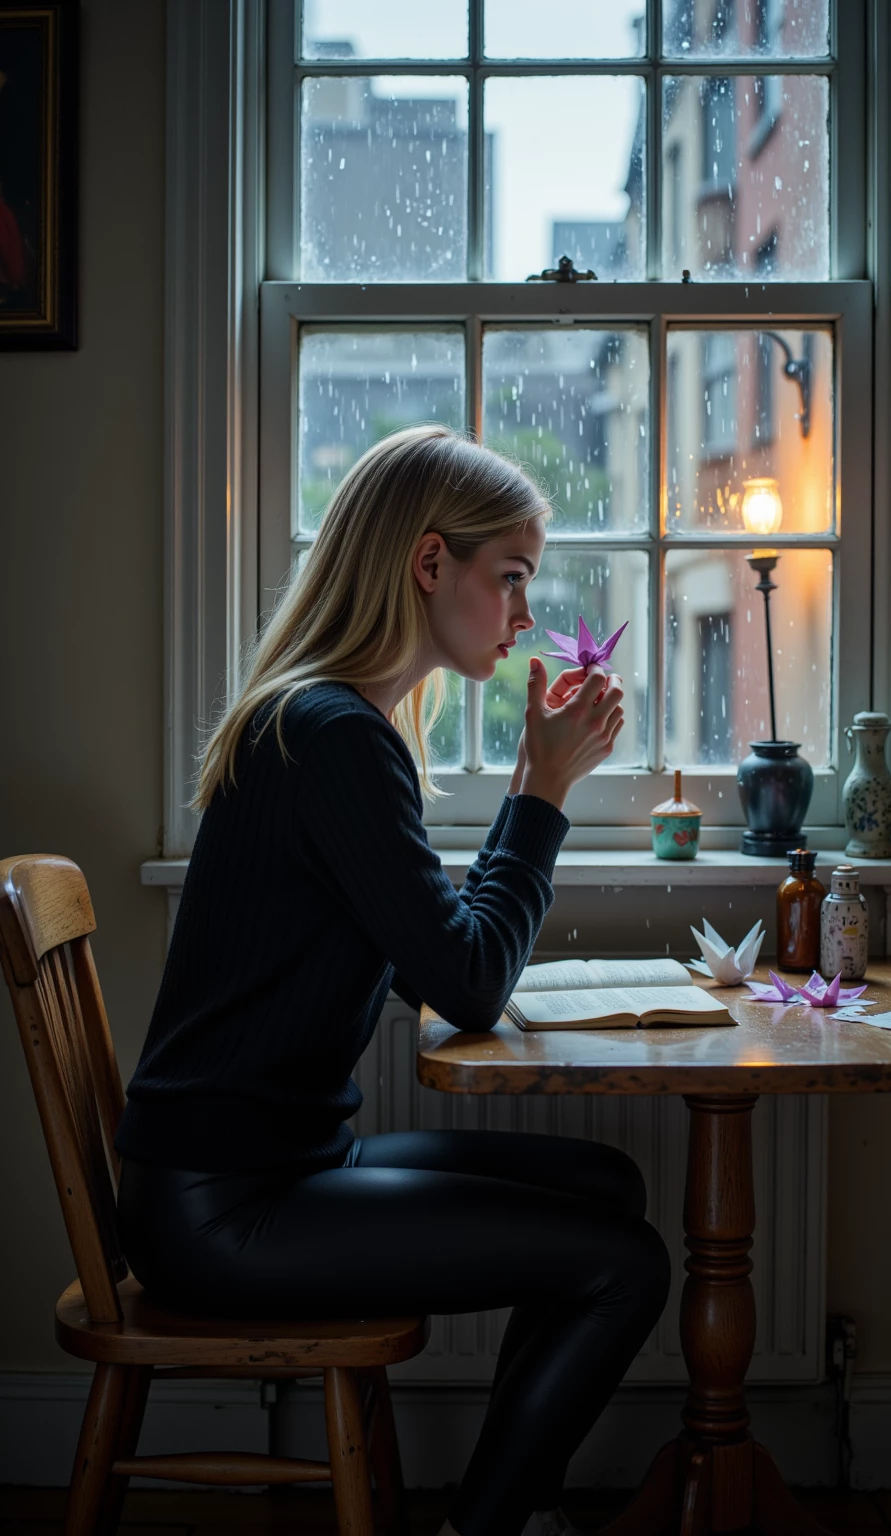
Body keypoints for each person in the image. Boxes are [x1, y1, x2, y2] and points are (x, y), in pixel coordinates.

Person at [115, 425, 672, 1536]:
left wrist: (530, 783)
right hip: (225, 1208)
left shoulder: (332, 722)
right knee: (626, 1265)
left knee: (608, 1188)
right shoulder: (333, 736)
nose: (523, 615)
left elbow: (441, 953)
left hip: (271, 1164)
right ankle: (488, 1526)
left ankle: (495, 1510)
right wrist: (544, 794)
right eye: (509, 579)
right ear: (429, 565)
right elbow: (465, 983)